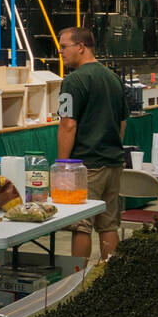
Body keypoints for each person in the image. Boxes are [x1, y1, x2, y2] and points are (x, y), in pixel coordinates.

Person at [56, 27, 127, 261]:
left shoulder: (73, 81)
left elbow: (67, 124)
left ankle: (78, 282)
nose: (60, 51)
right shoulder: (113, 78)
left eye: (64, 46)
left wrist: (64, 166)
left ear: (81, 47)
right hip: (113, 163)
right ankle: (110, 279)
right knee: (108, 225)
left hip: (86, 165)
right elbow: (122, 122)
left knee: (81, 225)